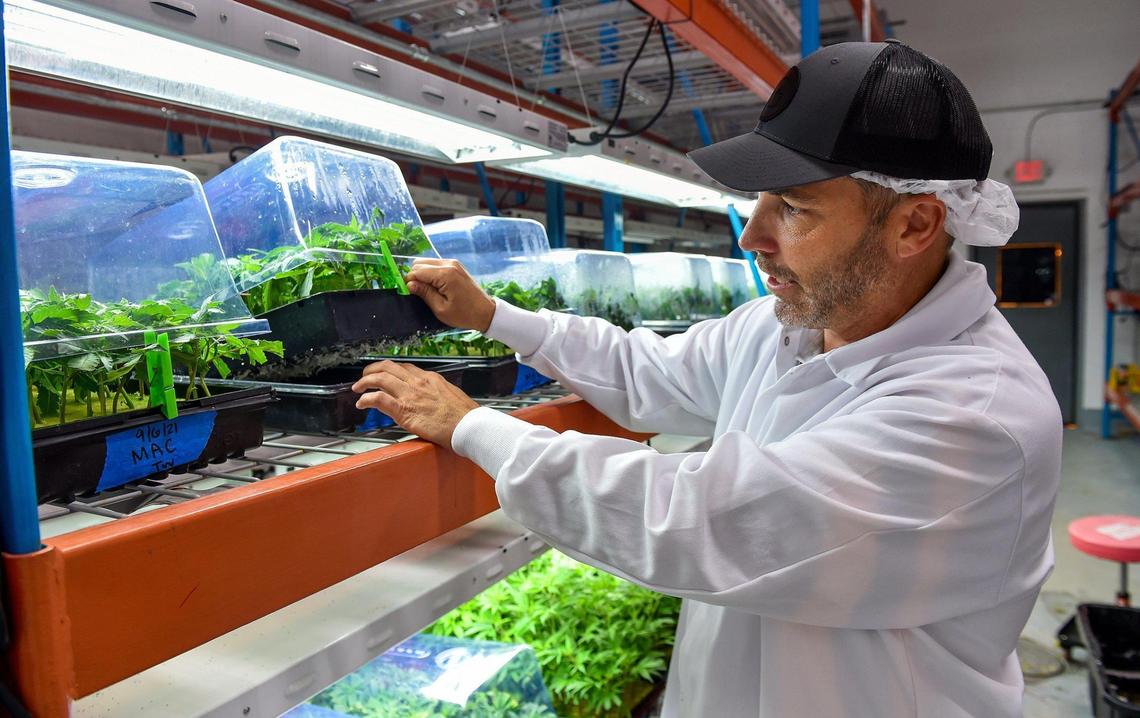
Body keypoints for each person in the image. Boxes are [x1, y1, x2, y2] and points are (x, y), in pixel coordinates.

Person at [353, 40, 1062, 717]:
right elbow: (649, 370)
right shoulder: (784, 325)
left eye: (794, 208)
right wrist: (497, 317)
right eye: (760, 202)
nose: (753, 237)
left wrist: (473, 426)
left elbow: (706, 521)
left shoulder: (977, 417)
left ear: (914, 225)